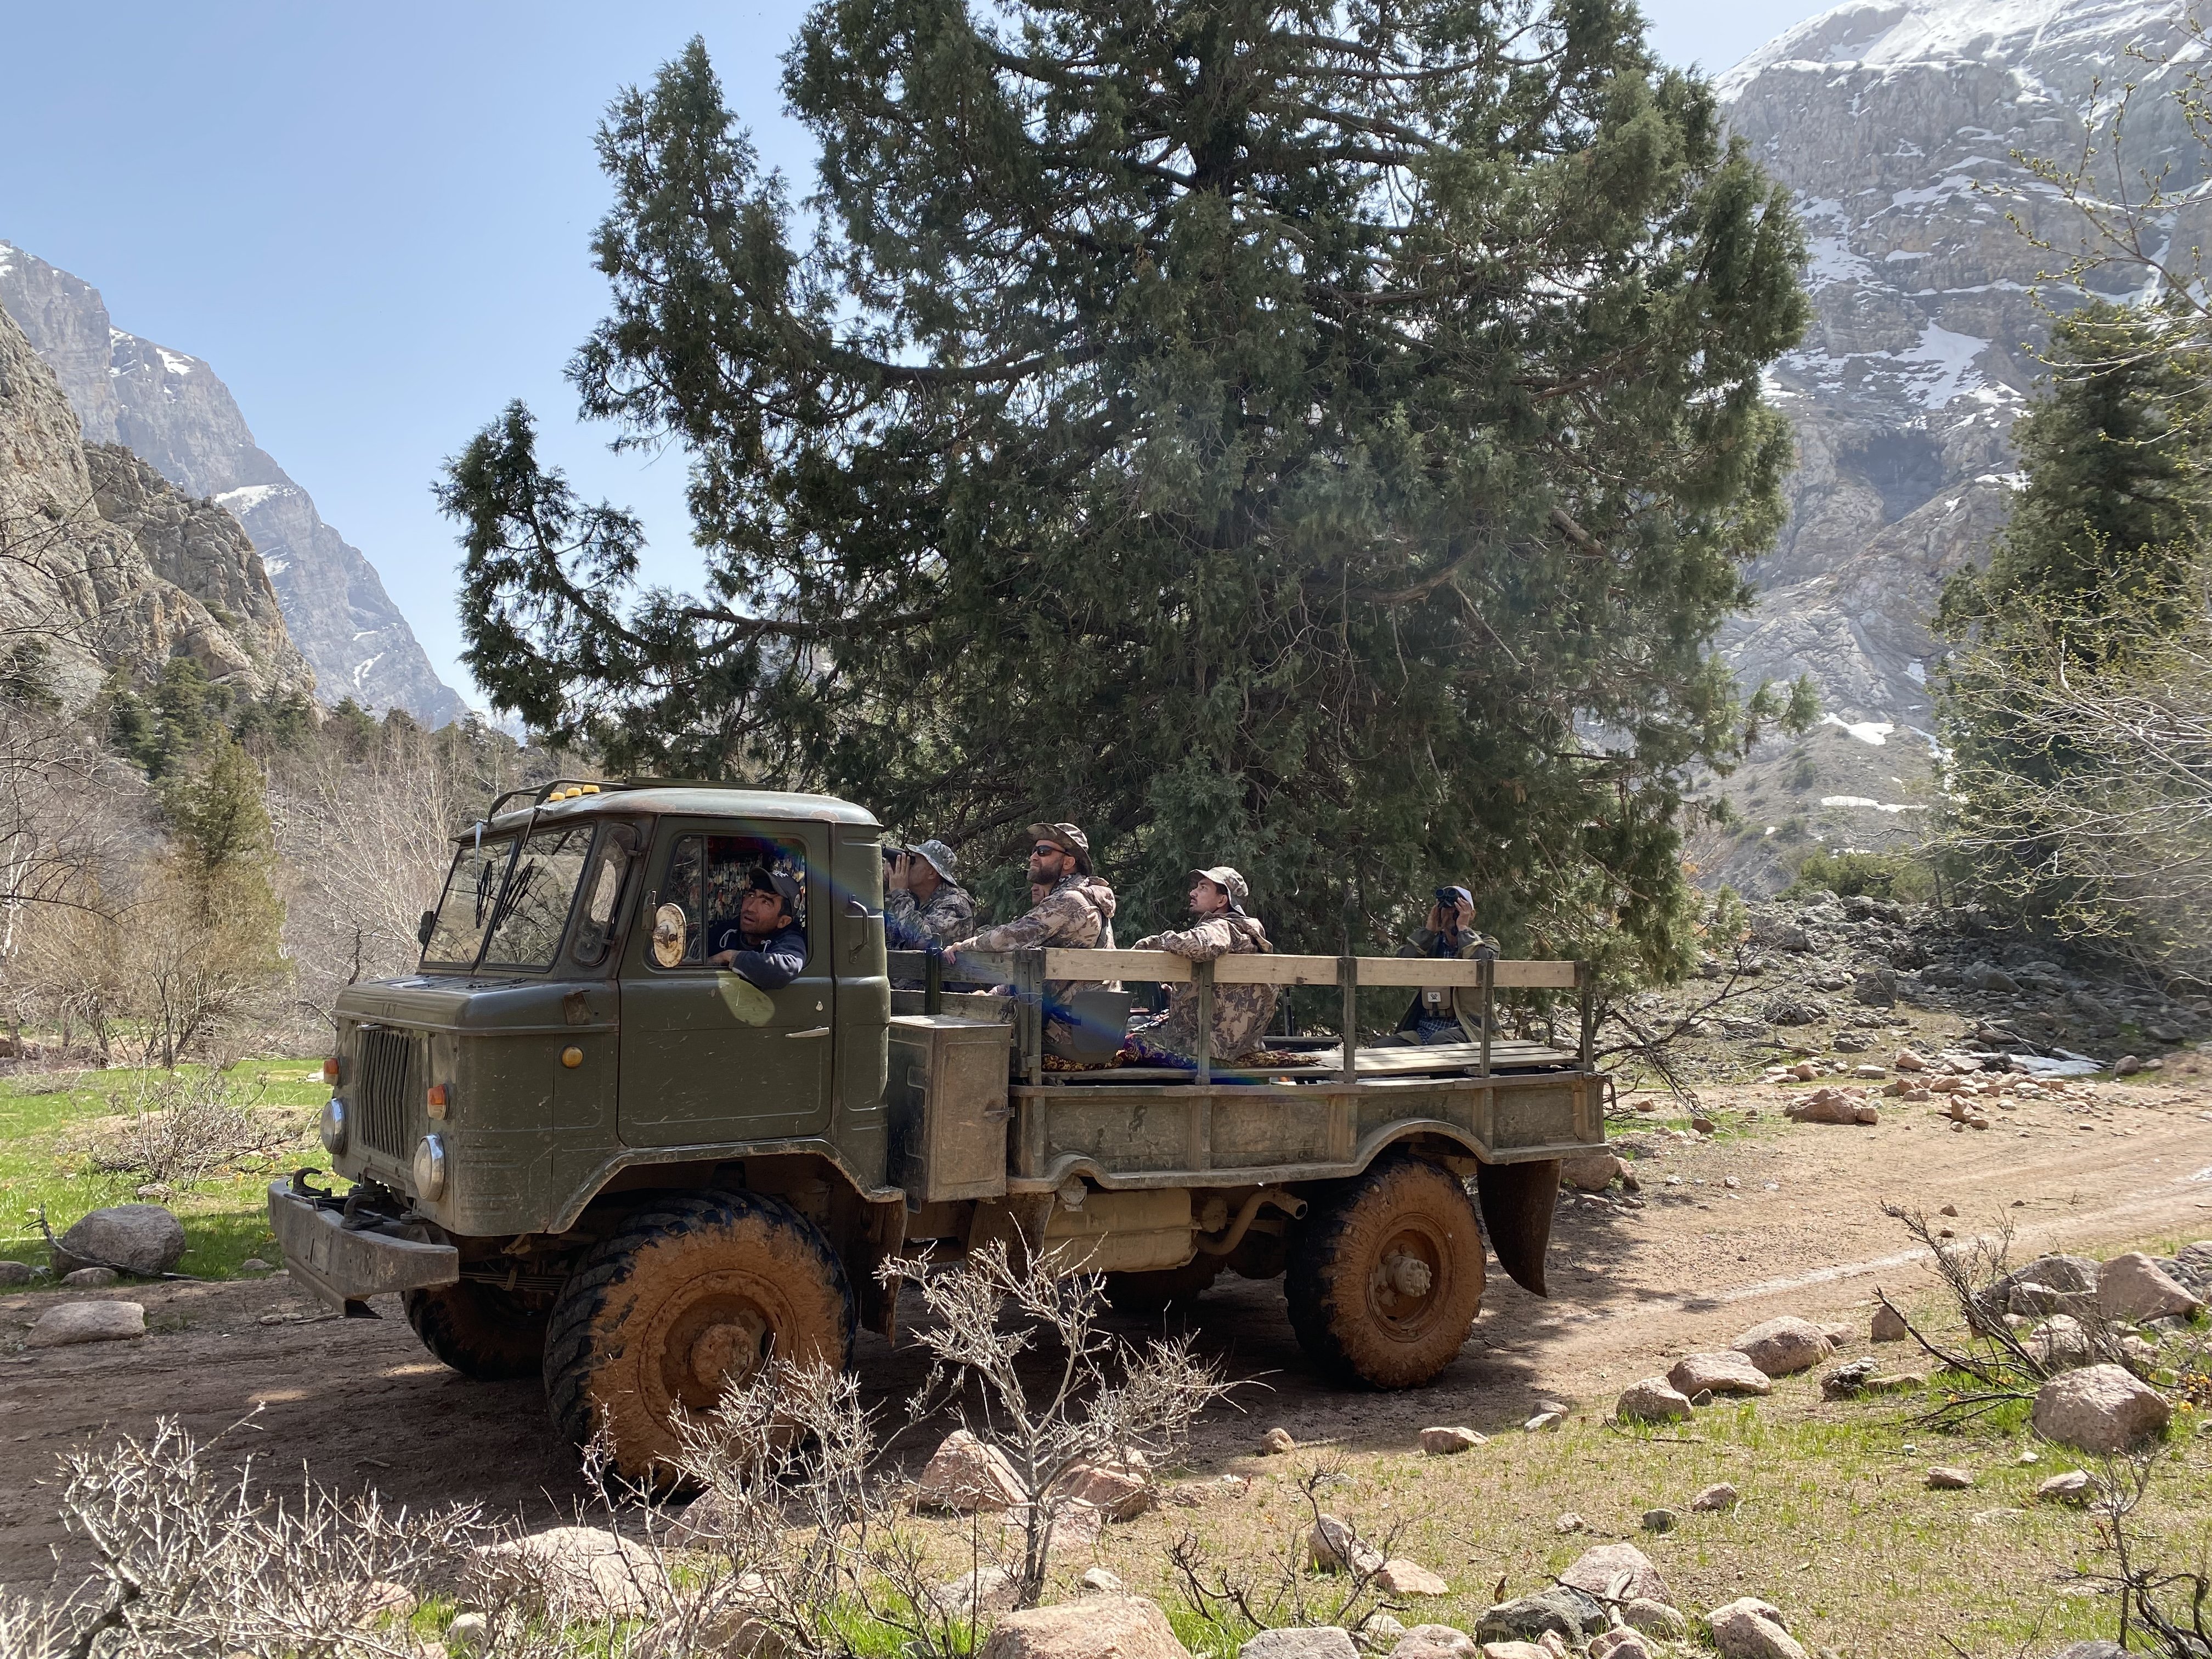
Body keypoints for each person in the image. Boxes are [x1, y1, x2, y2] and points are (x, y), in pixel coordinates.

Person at [945, 822, 1116, 1020]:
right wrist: (993, 995)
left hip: (1070, 1025)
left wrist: (962, 946)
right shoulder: (1074, 899)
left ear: (1068, 862)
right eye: (1034, 851)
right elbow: (1044, 977)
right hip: (1075, 1019)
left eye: (1043, 851)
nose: (1033, 857)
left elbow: (1007, 938)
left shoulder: (1070, 901)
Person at [1123, 867, 1274, 1066]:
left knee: (1128, 1032)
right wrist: (1178, 997)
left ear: (1222, 901)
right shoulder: (1247, 936)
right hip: (1241, 1047)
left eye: (1203, 888)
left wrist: (1151, 944)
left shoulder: (1222, 927)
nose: (1193, 893)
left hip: (1204, 1048)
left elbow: (1202, 945)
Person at [1396, 884, 1498, 1045]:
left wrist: (1463, 928)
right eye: (1446, 908)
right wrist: (1428, 932)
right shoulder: (1430, 944)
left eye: (1458, 908)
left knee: (1440, 1040)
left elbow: (1483, 963)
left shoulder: (1486, 942)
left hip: (1468, 1029)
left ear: (1471, 914)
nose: (1451, 913)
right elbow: (1399, 966)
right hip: (1425, 1028)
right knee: (1382, 1047)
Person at [705, 867, 809, 990]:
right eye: (751, 895)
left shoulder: (790, 938)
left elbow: (786, 968)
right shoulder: (728, 930)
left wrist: (730, 957)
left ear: (783, 922)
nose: (751, 908)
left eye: (766, 902)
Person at [884, 838, 975, 953]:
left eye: (913, 862)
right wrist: (885, 883)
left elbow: (922, 941)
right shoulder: (912, 899)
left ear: (932, 873)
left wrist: (899, 894)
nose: (907, 866)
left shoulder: (956, 904)